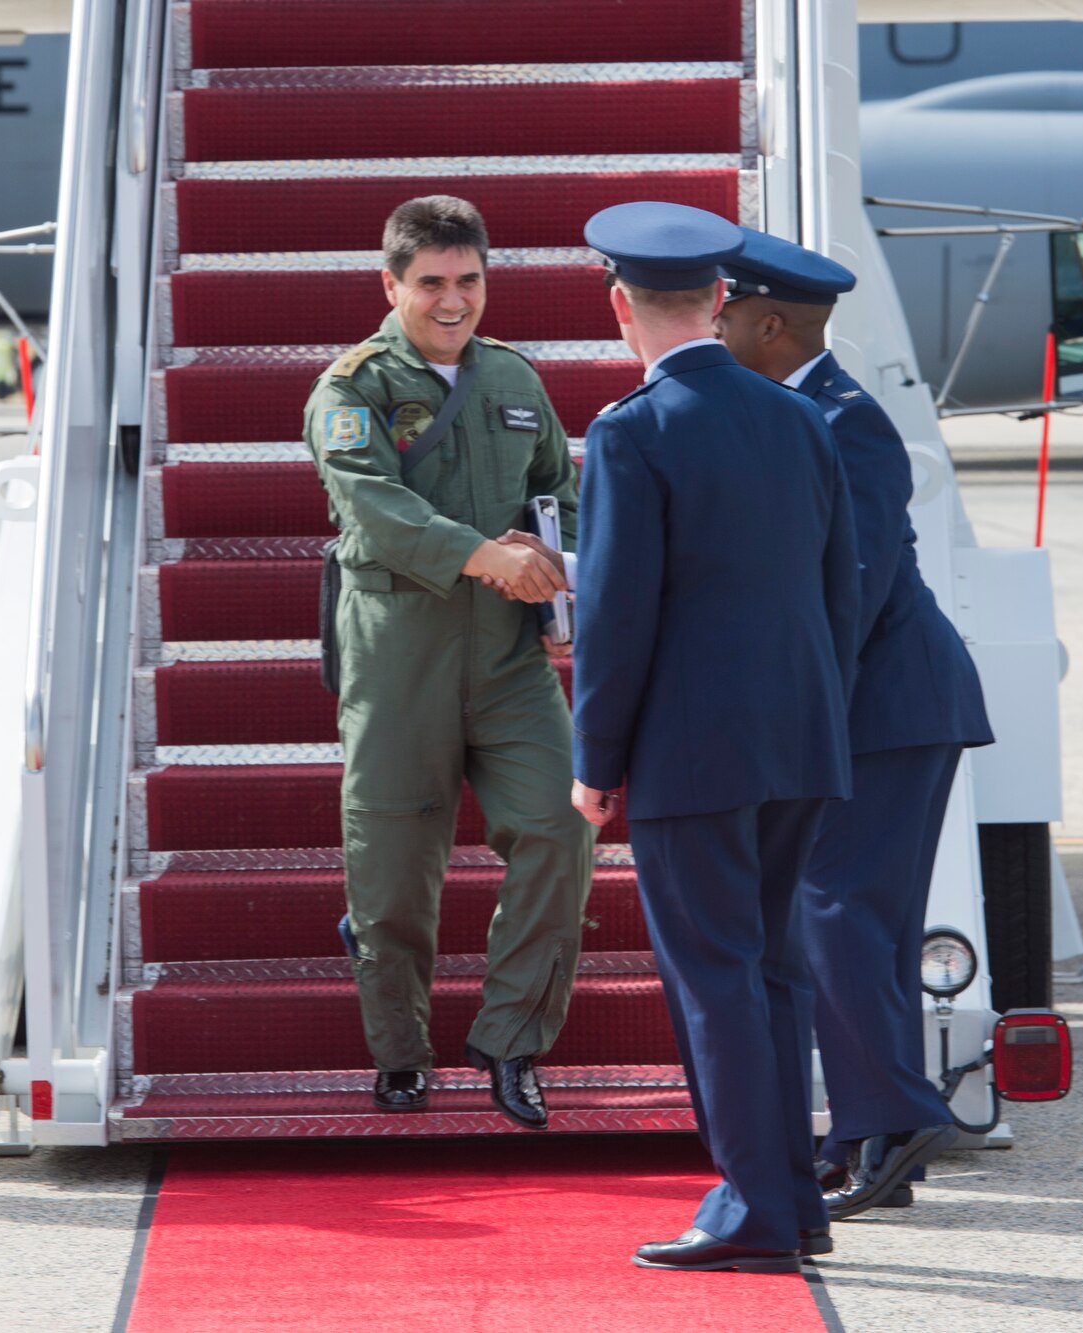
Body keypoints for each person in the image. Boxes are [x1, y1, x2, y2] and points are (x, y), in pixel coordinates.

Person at [570, 202, 858, 1271]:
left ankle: (752, 1208)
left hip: (691, 752)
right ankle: (792, 1196)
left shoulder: (632, 429)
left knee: (716, 979)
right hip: (800, 734)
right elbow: (839, 592)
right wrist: (816, 713)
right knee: (774, 971)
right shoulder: (798, 416)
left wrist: (595, 760)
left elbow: (615, 616)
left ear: (620, 305)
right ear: (720, 299)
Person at [716, 229, 993, 1218]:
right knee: (858, 920)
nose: (713, 328)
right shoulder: (793, 413)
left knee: (833, 912)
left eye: (725, 315)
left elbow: (855, 593)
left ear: (770, 326)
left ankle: (894, 1113)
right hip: (872, 705)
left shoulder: (844, 422)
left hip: (884, 705)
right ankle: (873, 1139)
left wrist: (796, 719)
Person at [302, 195, 590, 1128]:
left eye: (469, 279)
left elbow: (560, 492)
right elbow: (374, 509)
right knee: (391, 868)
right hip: (397, 658)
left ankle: (512, 1042)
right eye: (431, 282)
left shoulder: (513, 376)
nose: (454, 300)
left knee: (558, 824)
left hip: (507, 658)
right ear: (391, 285)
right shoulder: (351, 389)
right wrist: (485, 556)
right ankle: (399, 1052)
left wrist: (555, 579)